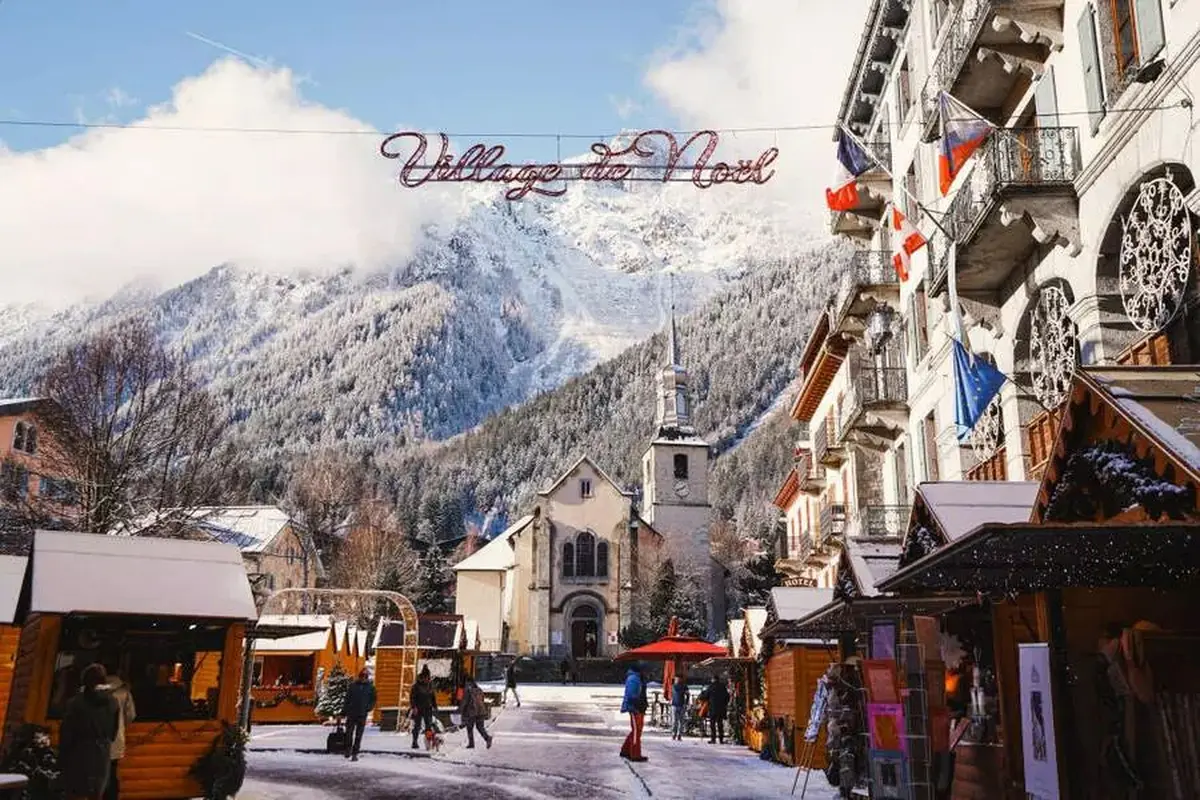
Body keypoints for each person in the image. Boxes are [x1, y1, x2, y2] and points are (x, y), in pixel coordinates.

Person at [60, 663, 119, 800]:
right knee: (97, 794)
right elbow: (114, 732)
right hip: (102, 754)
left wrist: (62, 758)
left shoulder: (75, 703)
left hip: (79, 754)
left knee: (75, 794)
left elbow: (67, 733)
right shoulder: (113, 702)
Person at [102, 665, 136, 800]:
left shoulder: (91, 690)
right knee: (112, 771)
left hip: (94, 741)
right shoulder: (124, 692)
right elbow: (131, 715)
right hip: (116, 739)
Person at [343, 668, 377, 761]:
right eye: (362, 676)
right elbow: (347, 699)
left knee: (359, 735)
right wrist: (344, 711)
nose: (363, 678)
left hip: (362, 713)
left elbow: (373, 699)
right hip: (351, 712)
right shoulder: (353, 686)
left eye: (365, 676)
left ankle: (355, 752)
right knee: (348, 733)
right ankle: (348, 749)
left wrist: (368, 708)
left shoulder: (370, 687)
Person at [619, 663, 648, 762]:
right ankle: (635, 754)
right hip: (635, 708)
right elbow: (632, 695)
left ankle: (626, 750)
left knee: (636, 730)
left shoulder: (637, 678)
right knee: (636, 731)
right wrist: (638, 704)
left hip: (638, 707)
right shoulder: (634, 679)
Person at [459, 677, 493, 749]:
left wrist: (459, 710)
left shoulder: (468, 691)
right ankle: (487, 738)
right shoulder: (479, 690)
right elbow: (482, 699)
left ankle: (471, 743)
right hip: (481, 711)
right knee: (480, 727)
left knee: (469, 727)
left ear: (468, 683)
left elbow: (464, 702)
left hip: (472, 712)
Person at [409, 665, 437, 750]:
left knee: (428, 726)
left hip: (428, 708)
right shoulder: (416, 686)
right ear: (423, 676)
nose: (428, 679)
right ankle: (414, 742)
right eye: (426, 677)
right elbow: (412, 697)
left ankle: (428, 744)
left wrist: (435, 705)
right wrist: (414, 707)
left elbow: (433, 696)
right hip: (418, 708)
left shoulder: (430, 685)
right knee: (417, 726)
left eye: (429, 677)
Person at [707, 675, 730, 744]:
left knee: (712, 725)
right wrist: (724, 704)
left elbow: (705, 696)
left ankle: (713, 739)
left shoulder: (711, 686)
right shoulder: (722, 687)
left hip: (712, 708)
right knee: (720, 724)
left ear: (713, 679)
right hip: (721, 708)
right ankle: (721, 739)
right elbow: (727, 696)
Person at [670, 675, 690, 741]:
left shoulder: (684, 686)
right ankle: (674, 734)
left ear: (681, 679)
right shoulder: (673, 686)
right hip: (674, 705)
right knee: (674, 721)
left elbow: (688, 695)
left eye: (679, 679)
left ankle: (679, 735)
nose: (678, 680)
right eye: (677, 679)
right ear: (675, 679)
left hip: (681, 705)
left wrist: (686, 703)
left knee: (681, 721)